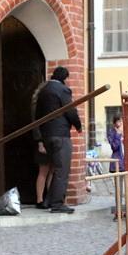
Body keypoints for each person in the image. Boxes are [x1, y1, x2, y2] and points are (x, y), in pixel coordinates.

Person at [34, 66, 82, 213]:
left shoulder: (43, 91)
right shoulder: (62, 90)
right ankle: (57, 204)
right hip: (60, 135)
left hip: (47, 135)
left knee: (55, 169)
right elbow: (70, 110)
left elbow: (37, 115)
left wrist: (41, 137)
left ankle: (48, 200)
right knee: (61, 170)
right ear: (64, 78)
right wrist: (78, 125)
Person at [31, 80, 52, 208]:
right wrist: (40, 141)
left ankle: (49, 198)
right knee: (43, 170)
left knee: (51, 171)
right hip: (43, 140)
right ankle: (39, 199)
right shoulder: (37, 105)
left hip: (50, 138)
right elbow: (36, 125)